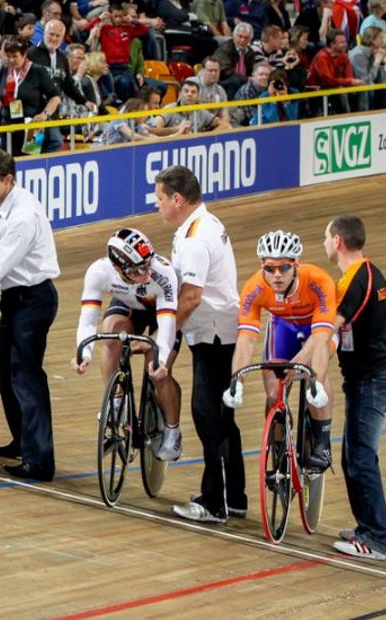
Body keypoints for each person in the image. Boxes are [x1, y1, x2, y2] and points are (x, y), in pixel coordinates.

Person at [155, 165, 244, 524]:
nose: (156, 205)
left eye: (160, 198)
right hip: (218, 330)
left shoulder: (194, 238)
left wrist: (167, 334)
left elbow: (190, 297)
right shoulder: (200, 224)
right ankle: (234, 497)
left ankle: (215, 502)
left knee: (210, 416)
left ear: (178, 199)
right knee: (223, 419)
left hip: (213, 333)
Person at [0, 148, 60, 480]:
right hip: (16, 297)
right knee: (7, 373)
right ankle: (23, 441)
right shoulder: (0, 204)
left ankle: (40, 461)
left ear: (9, 179)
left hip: (34, 299)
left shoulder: (23, 217)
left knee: (26, 376)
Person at [223, 230, 335, 471]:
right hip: (282, 326)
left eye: (283, 268)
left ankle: (322, 443)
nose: (276, 275)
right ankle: (278, 447)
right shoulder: (254, 288)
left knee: (315, 376)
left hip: (317, 328)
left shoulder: (318, 281)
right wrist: (237, 379)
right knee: (274, 394)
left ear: (296, 265)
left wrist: (300, 370)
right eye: (269, 268)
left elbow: (321, 337)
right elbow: (246, 340)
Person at [73, 228, 184, 461]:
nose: (146, 274)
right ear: (117, 268)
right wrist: (84, 353)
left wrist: (160, 359)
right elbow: (88, 318)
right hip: (130, 305)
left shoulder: (163, 273)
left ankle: (173, 431)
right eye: (137, 270)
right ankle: (115, 401)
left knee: (156, 372)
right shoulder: (98, 272)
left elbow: (166, 325)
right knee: (111, 335)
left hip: (163, 312)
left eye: (147, 265)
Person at [323, 214, 386, 561]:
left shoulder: (356, 282)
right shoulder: (366, 274)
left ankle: (376, 538)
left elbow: (331, 330)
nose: (324, 243)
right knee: (352, 455)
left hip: (372, 381)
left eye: (326, 237)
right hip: (366, 378)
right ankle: (365, 526)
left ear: (338, 241)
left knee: (362, 457)